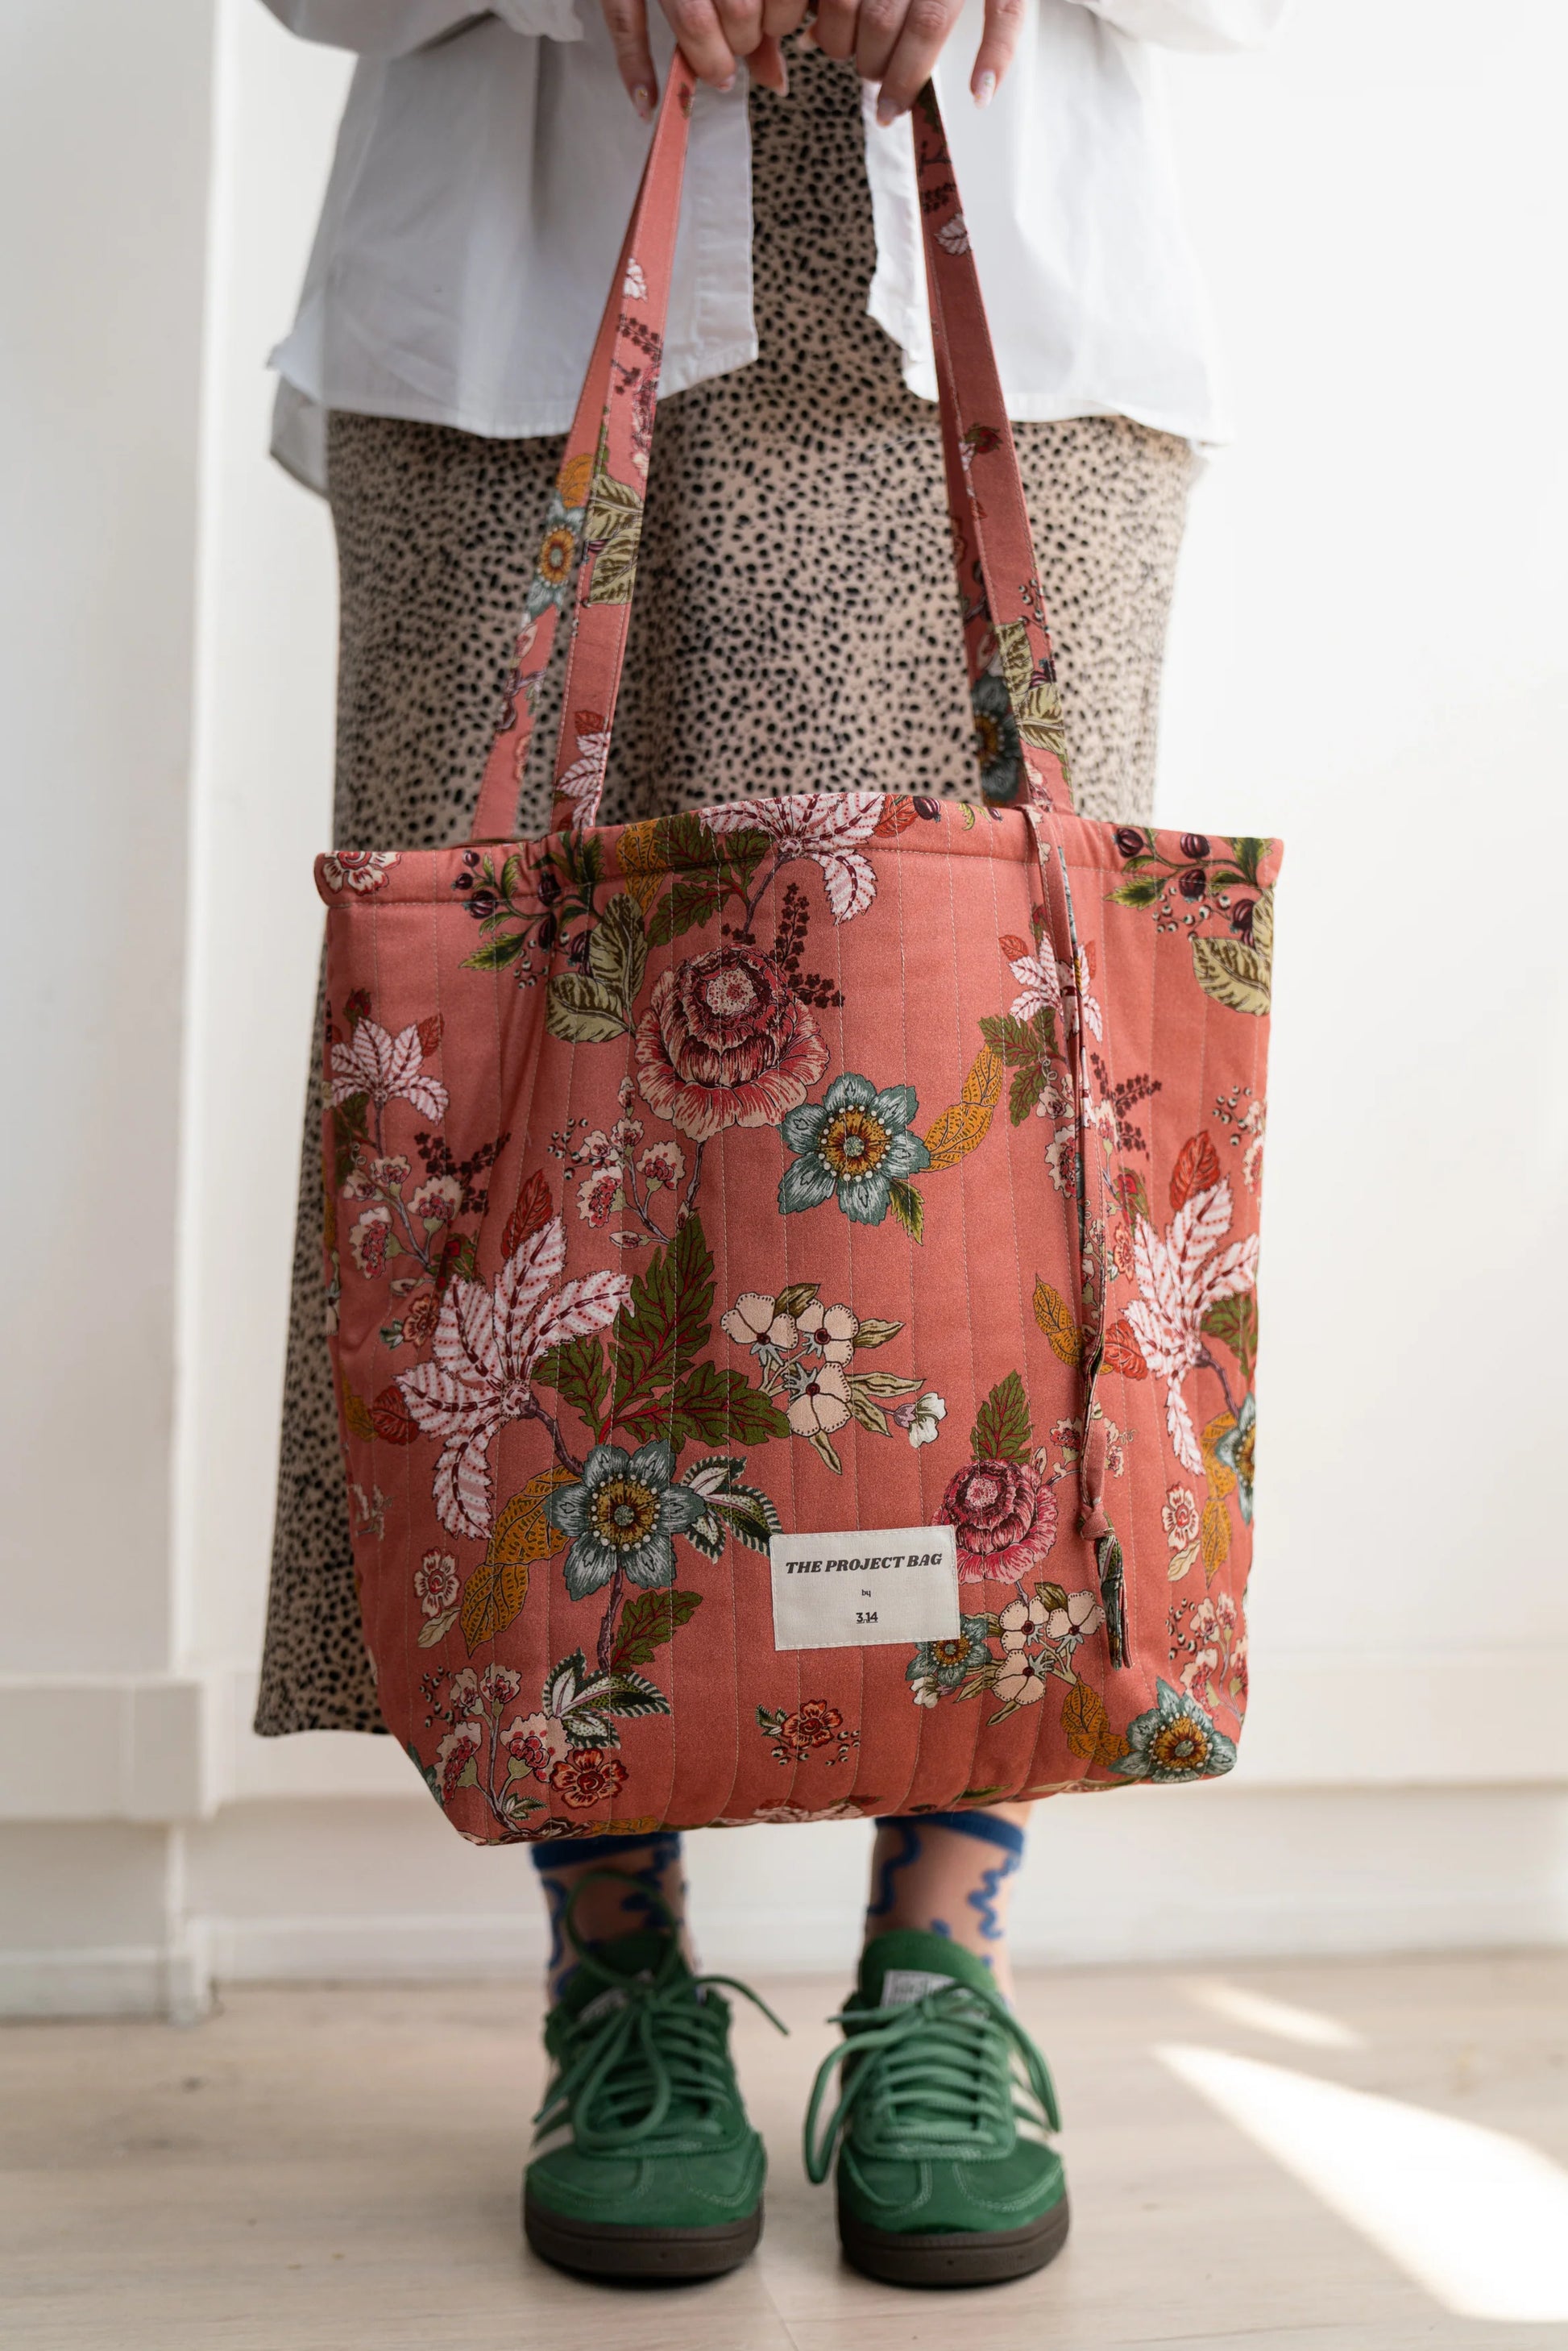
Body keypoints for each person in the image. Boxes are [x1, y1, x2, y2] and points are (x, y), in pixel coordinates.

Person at [255, 0, 1284, 2289]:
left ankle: (945, 1968)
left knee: (997, 1183)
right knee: (528, 1159)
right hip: (525, 301)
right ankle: (614, 1973)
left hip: (1004, 300)